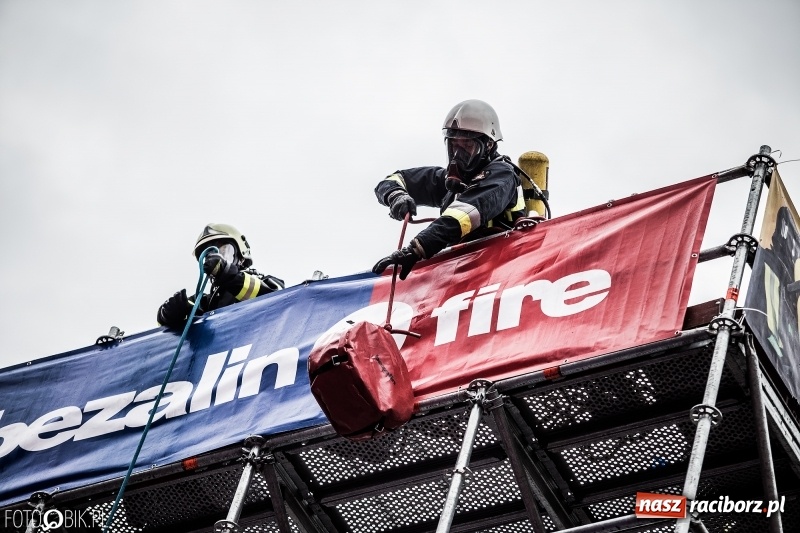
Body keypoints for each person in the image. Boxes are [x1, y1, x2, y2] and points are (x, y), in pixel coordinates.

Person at [372, 99, 527, 280]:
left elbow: (464, 214)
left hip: (502, 274)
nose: (457, 155)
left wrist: (416, 249)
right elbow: (393, 180)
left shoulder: (502, 175)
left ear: (488, 146)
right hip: (464, 276)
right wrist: (395, 195)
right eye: (454, 145)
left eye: (467, 146)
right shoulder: (451, 182)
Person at [157, 223, 285, 329]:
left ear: (240, 257)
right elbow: (166, 333)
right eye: (207, 255)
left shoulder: (266, 282)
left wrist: (228, 274)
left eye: (224, 251)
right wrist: (166, 315)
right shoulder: (205, 303)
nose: (214, 257)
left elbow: (283, 300)